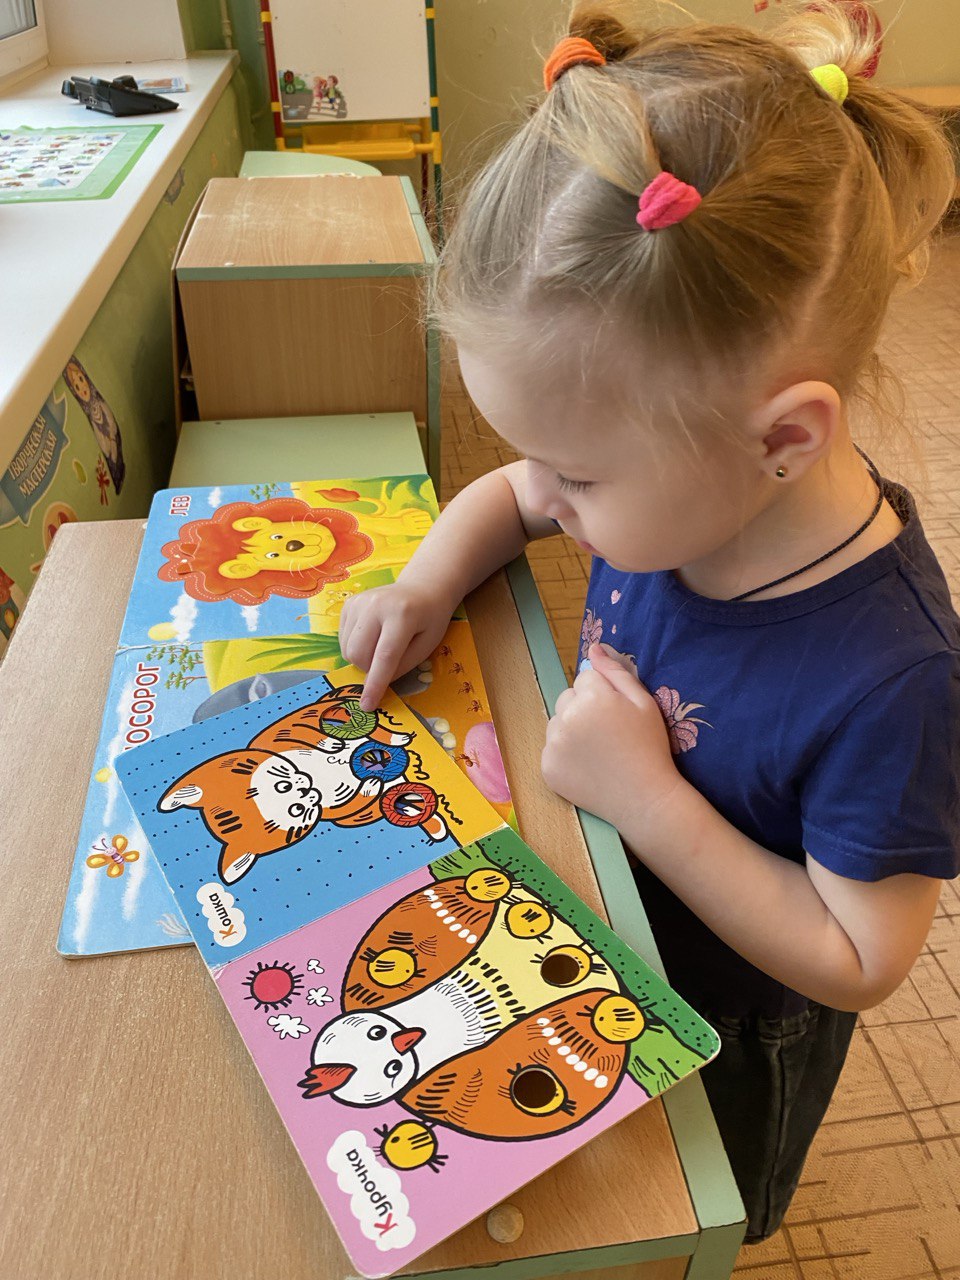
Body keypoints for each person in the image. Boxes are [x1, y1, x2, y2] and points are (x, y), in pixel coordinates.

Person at [338, 0, 960, 1241]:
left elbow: (860, 958)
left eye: (576, 471)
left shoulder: (897, 680)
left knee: (681, 1216)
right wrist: (426, 581)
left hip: (737, 1017)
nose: (545, 492)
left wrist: (645, 798)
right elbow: (510, 497)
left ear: (785, 437)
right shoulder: (689, 478)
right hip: (602, 920)